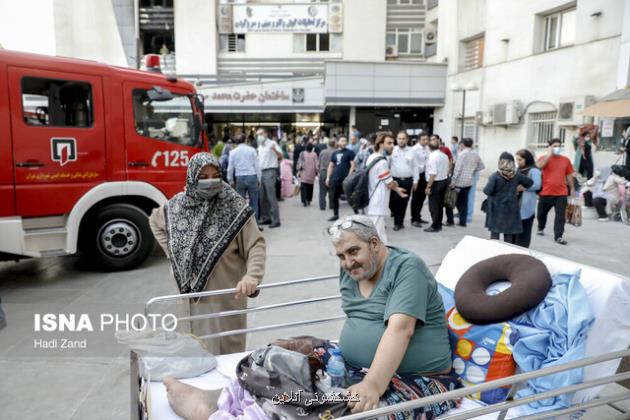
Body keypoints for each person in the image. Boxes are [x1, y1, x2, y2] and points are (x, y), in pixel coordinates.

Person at [329, 215, 459, 415]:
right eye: (341, 256)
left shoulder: (407, 268)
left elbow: (401, 330)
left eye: (353, 251)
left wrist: (372, 384)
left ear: (374, 243)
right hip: (355, 369)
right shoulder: (351, 270)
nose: (348, 263)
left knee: (354, 414)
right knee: (286, 358)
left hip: (417, 379)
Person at [149, 152, 266, 355]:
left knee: (227, 354)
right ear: (192, 178)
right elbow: (154, 221)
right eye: (203, 177)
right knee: (194, 352)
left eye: (215, 175)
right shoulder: (176, 206)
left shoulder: (234, 206)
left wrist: (252, 275)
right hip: (190, 301)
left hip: (226, 297)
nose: (210, 181)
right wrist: (173, 252)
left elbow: (256, 244)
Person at [365, 133, 409, 243]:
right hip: (378, 201)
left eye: (392, 143)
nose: (392, 145)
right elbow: (389, 183)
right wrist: (395, 184)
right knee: (376, 234)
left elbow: (383, 180)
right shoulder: (382, 161)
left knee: (379, 233)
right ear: (380, 144)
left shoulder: (372, 157)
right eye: (389, 143)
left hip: (372, 199)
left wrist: (396, 188)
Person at [483, 152, 534, 244]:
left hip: (496, 209)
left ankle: (494, 251)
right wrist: (520, 187)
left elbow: (487, 191)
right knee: (508, 234)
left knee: (495, 233)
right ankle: (508, 251)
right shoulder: (516, 175)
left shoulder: (495, 176)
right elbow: (530, 182)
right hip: (511, 208)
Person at [537, 138, 575, 245]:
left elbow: (569, 175)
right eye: (554, 146)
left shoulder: (566, 160)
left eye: (559, 146)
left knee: (560, 216)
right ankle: (541, 227)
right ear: (549, 147)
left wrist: (572, 188)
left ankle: (558, 236)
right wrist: (549, 155)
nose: (557, 148)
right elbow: (539, 166)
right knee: (541, 214)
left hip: (561, 193)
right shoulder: (543, 158)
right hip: (545, 192)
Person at [450, 138, 485, 227]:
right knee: (464, 201)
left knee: (458, 201)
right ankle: (463, 221)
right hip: (469, 181)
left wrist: (453, 181)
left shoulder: (462, 154)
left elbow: (457, 169)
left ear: (463, 144)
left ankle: (462, 219)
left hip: (459, 182)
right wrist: (473, 171)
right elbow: (481, 166)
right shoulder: (475, 154)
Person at [227, 134, 262, 223]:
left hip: (239, 178)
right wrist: (259, 178)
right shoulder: (252, 150)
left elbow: (230, 168)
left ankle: (242, 226)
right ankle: (255, 225)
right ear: (245, 140)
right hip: (252, 176)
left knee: (240, 204)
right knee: (254, 202)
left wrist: (230, 181)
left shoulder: (233, 152)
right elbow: (256, 165)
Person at [389, 131, 417, 231]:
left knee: (404, 202)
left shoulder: (412, 151)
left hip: (407, 181)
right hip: (395, 180)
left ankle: (399, 223)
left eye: (403, 138)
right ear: (397, 139)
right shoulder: (392, 150)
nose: (401, 140)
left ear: (407, 139)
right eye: (399, 138)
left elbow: (415, 166)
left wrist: (416, 181)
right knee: (394, 202)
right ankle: (397, 219)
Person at [514, 149, 541, 248]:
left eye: (520, 160)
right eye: (517, 160)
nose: (518, 162)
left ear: (527, 159)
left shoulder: (534, 170)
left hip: (526, 205)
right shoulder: (518, 169)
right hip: (515, 204)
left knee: (524, 231)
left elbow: (537, 185)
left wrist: (525, 187)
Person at [257, 128, 283, 229]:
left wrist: (275, 150)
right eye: (257, 134)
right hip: (261, 172)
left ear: (266, 134)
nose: (259, 136)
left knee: (271, 197)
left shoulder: (272, 143)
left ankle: (276, 220)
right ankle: (266, 217)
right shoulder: (260, 146)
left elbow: (281, 156)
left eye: (261, 133)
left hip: (270, 171)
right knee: (262, 197)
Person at [424, 136, 450, 232]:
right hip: (444, 181)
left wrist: (428, 186)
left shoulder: (432, 157)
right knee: (439, 205)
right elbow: (448, 168)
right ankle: (438, 224)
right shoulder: (444, 156)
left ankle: (435, 226)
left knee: (434, 207)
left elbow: (433, 173)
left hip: (435, 183)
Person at [326, 137, 356, 221]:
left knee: (351, 198)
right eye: (342, 141)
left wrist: (349, 176)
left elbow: (353, 165)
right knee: (334, 197)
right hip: (335, 179)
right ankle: (336, 215)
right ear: (338, 142)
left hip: (345, 180)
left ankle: (357, 214)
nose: (344, 142)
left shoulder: (350, 153)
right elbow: (331, 166)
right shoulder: (334, 153)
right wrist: (328, 177)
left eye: (345, 141)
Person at [434, 135, 455, 225]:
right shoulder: (431, 150)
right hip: (436, 178)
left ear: (439, 140)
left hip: (446, 178)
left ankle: (450, 220)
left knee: (447, 199)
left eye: (435, 139)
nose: (433, 141)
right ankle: (438, 221)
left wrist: (448, 172)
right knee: (438, 201)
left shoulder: (445, 149)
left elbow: (451, 160)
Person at [410, 134, 430, 227]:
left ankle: (418, 216)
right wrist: (415, 180)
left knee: (422, 197)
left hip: (425, 175)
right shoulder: (414, 149)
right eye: (423, 139)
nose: (425, 141)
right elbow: (414, 165)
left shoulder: (427, 148)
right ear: (419, 140)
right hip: (418, 175)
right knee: (416, 198)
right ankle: (414, 218)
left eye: (426, 139)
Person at [318, 138, 337, 211]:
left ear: (327, 144)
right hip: (332, 171)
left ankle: (322, 206)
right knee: (332, 190)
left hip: (323, 171)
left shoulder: (322, 152)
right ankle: (331, 205)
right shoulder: (336, 152)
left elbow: (319, 162)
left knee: (322, 190)